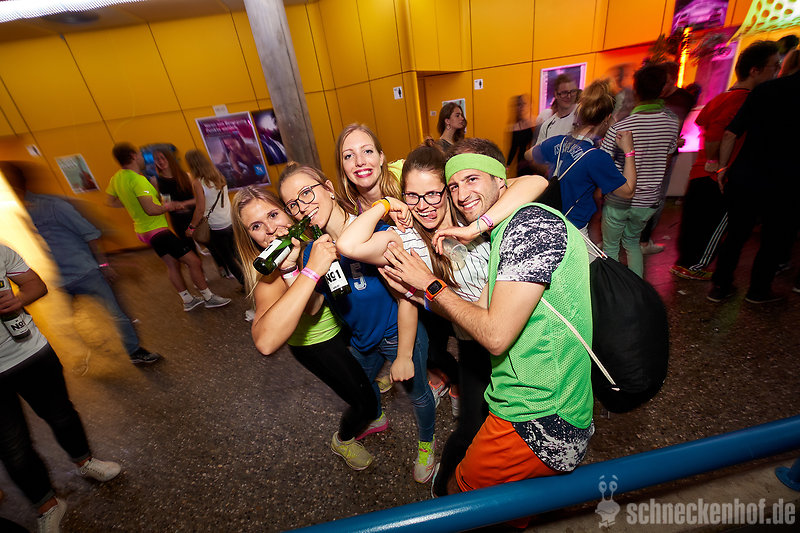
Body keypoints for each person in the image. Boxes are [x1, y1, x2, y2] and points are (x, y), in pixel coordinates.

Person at [379, 138, 593, 518]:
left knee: (462, 497)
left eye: (472, 179)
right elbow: (479, 311)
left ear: (500, 180)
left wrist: (429, 283)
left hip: (538, 417)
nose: (462, 194)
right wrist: (421, 292)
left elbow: (494, 335)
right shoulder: (505, 231)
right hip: (537, 399)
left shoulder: (528, 228)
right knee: (516, 504)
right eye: (455, 185)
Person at [336, 138, 549, 497]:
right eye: (413, 196)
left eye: (433, 193)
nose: (424, 205)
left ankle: (515, 495)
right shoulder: (406, 239)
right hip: (474, 341)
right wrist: (385, 204)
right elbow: (348, 245)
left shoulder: (471, 210)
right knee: (470, 428)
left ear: (448, 191)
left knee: (523, 420)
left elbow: (536, 182)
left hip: (522, 329)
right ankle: (445, 496)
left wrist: (475, 227)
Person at [278, 163, 437, 483]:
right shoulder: (312, 251)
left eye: (306, 193)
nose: (302, 207)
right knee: (363, 389)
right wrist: (292, 269)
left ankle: (427, 445)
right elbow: (313, 308)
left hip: (397, 333)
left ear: (328, 188)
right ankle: (375, 418)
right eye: (292, 204)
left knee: (419, 394)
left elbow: (407, 296)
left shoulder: (374, 231)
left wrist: (404, 355)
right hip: (360, 340)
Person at [231, 186, 379, 471]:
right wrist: (301, 271)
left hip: (341, 325)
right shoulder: (268, 279)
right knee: (366, 405)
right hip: (317, 345)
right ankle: (343, 440)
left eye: (273, 214)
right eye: (256, 226)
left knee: (366, 371)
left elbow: (321, 300)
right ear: (249, 236)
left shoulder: (307, 236)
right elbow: (266, 342)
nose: (271, 229)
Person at [0, 243, 121, 533]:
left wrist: (18, 300)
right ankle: (47, 506)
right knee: (12, 447)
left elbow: (36, 285)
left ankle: (85, 462)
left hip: (31, 352)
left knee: (61, 415)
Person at [2, 162, 160, 366]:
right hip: (62, 278)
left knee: (116, 314)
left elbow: (90, 233)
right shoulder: (26, 210)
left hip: (86, 272)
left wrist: (103, 265)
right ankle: (81, 354)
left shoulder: (54, 205)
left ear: (18, 183)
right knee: (67, 321)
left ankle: (134, 351)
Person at [670, 41, 780, 281]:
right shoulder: (742, 100)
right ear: (755, 70)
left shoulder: (723, 97)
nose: (776, 72)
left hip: (702, 171)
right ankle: (694, 266)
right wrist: (716, 161)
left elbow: (703, 124)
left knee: (695, 221)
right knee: (713, 224)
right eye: (774, 66)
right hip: (716, 175)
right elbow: (717, 132)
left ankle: (684, 264)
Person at [708, 47, 791, 304]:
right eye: (774, 65)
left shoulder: (764, 91)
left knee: (735, 234)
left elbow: (731, 133)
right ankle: (759, 290)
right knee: (774, 237)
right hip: (786, 179)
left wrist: (722, 168)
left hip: (747, 175)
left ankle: (720, 286)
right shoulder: (764, 90)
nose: (777, 70)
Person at [105, 142, 231, 311]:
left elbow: (111, 201)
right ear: (133, 156)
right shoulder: (138, 180)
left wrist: (132, 203)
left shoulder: (117, 178)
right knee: (193, 261)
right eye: (140, 155)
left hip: (142, 231)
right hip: (157, 230)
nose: (143, 158)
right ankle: (209, 297)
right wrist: (169, 206)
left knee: (172, 264)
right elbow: (151, 210)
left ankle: (187, 300)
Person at [600, 65, 680, 278]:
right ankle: (637, 287)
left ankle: (615, 289)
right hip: (648, 201)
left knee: (611, 247)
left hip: (619, 198)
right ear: (662, 89)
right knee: (632, 243)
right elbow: (667, 159)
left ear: (636, 91)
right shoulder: (671, 124)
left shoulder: (620, 127)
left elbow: (603, 163)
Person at [529, 80, 637, 235]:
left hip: (550, 222)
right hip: (574, 230)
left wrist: (551, 167)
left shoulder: (559, 141)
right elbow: (628, 192)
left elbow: (529, 154)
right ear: (607, 118)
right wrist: (629, 151)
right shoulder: (597, 158)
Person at [639, 61, 697, 254]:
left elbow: (674, 126)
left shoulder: (683, 99)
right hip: (648, 153)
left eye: (662, 82)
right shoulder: (654, 98)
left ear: (671, 79)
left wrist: (672, 143)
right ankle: (639, 240)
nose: (660, 87)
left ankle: (643, 241)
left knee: (656, 198)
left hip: (664, 156)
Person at [185, 149, 244, 286]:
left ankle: (245, 285)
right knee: (238, 254)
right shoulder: (219, 175)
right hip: (230, 220)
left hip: (216, 226)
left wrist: (191, 227)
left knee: (228, 258)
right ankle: (255, 278)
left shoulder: (198, 183)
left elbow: (200, 209)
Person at [335, 124, 403, 215]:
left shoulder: (405, 174)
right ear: (342, 167)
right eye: (349, 156)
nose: (360, 162)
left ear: (381, 157)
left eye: (367, 151)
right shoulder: (349, 212)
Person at [152, 149, 195, 252]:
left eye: (163, 158)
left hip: (195, 218)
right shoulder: (156, 181)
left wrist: (182, 204)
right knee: (189, 248)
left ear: (170, 159)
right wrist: (167, 205)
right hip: (178, 220)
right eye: (157, 159)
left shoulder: (186, 176)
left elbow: (199, 199)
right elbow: (160, 203)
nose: (160, 161)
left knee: (209, 244)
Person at [535, 74, 580, 145]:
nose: (569, 96)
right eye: (564, 93)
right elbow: (538, 150)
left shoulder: (583, 114)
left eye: (573, 91)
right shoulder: (547, 125)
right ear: (556, 94)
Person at [506, 95, 536, 178]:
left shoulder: (536, 122)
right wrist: (507, 165)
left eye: (524, 104)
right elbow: (514, 147)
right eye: (519, 104)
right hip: (521, 164)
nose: (521, 107)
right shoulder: (514, 126)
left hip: (534, 163)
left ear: (530, 105)